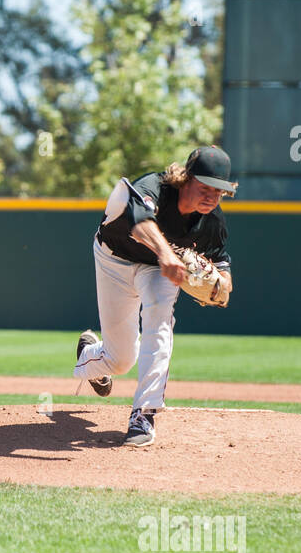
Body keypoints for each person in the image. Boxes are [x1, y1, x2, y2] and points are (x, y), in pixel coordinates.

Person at [73, 146, 236, 447]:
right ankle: (90, 356)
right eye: (205, 188)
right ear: (185, 178)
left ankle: (143, 415)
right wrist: (165, 254)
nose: (212, 197)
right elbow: (138, 221)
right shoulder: (154, 187)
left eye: (220, 191)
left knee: (160, 321)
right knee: (120, 360)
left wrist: (219, 287)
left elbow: (225, 275)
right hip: (114, 258)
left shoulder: (212, 222)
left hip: (157, 272)